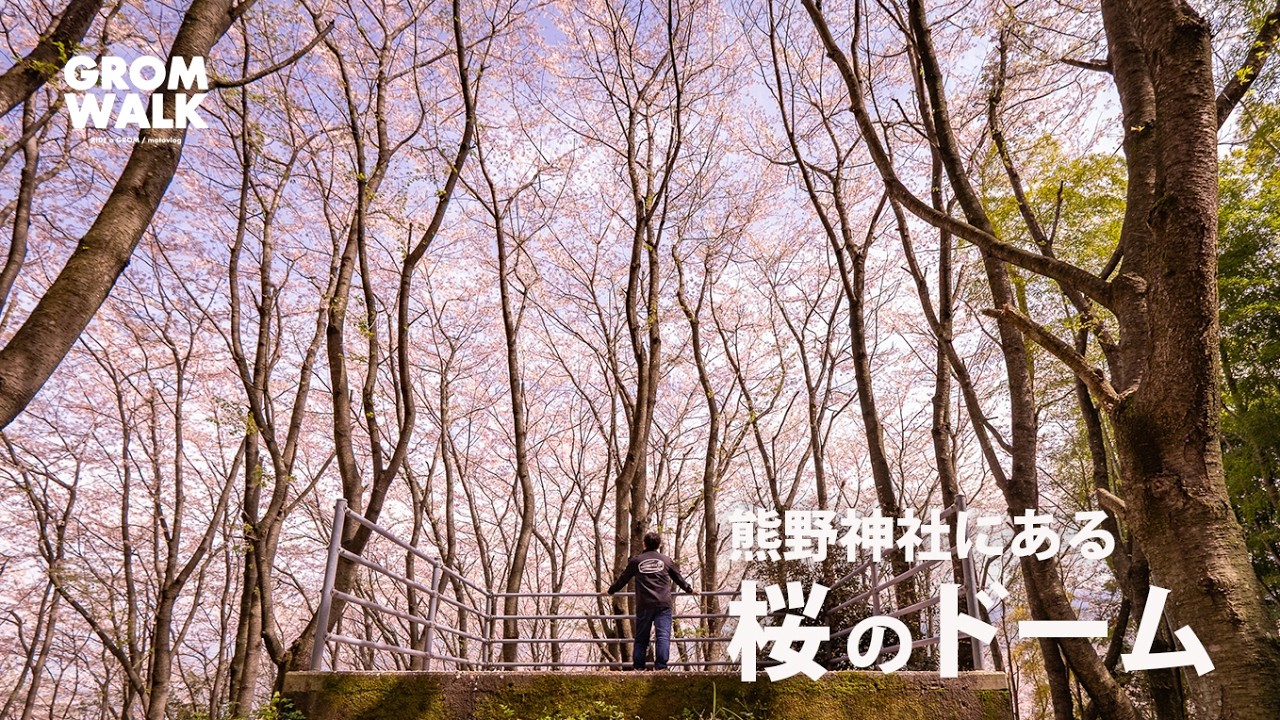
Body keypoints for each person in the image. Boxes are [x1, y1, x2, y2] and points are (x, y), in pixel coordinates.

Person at [607, 531, 695, 670]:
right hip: (663, 604)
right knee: (663, 637)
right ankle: (661, 667)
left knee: (641, 639)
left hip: (644, 604)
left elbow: (623, 579)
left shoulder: (636, 561)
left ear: (644, 543)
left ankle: (639, 668)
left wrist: (610, 591)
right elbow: (678, 578)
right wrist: (689, 590)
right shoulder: (666, 560)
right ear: (659, 545)